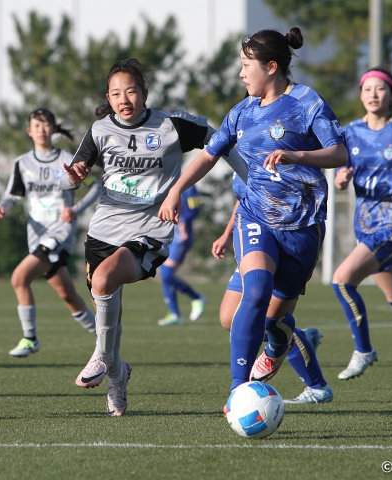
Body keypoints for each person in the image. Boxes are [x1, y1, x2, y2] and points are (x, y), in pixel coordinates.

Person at [159, 27, 347, 394]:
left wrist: (297, 154)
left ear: (271, 66)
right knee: (255, 291)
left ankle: (281, 341)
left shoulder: (307, 102)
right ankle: (238, 390)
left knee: (273, 316)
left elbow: (339, 153)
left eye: (247, 65)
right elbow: (208, 156)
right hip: (256, 215)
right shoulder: (241, 112)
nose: (242, 73)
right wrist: (176, 191)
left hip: (303, 226)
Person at [60, 58, 246, 416]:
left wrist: (253, 183)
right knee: (105, 303)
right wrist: (75, 177)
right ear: (108, 98)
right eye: (116, 93)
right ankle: (117, 374)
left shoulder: (171, 125)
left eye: (131, 91)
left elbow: (222, 142)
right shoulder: (99, 130)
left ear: (144, 94)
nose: (124, 98)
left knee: (104, 279)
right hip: (102, 231)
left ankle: (102, 357)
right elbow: (74, 177)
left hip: (150, 229)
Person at [333, 67, 392, 381]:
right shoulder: (349, 133)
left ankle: (363, 349)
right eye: (367, 89)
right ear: (360, 94)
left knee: (342, 281)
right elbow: (340, 178)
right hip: (365, 226)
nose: (373, 94)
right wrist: (341, 179)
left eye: (380, 89)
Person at [212, 172, 333, 403]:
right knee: (229, 317)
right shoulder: (243, 150)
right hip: (255, 239)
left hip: (289, 239)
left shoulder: (282, 147)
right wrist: (227, 234)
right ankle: (298, 338)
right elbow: (244, 199)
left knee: (270, 319)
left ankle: (317, 386)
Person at [0, 108, 101, 357]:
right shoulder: (22, 163)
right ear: (29, 131)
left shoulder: (67, 158)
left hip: (60, 232)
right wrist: (2, 207)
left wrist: (75, 209)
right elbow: (12, 194)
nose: (42, 129)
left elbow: (95, 187)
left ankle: (30, 338)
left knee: (19, 278)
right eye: (37, 125)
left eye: (46, 125)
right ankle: (104, 334)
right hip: (37, 235)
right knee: (68, 294)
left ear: (53, 129)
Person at [157, 184, 207, 326]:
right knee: (164, 274)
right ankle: (174, 314)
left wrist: (183, 221)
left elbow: (194, 208)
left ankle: (196, 297)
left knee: (167, 274)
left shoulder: (188, 185)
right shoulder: (162, 179)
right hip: (164, 234)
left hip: (180, 236)